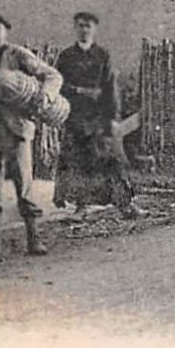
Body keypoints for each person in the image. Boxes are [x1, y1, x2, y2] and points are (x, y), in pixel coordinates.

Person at [0, 12, 62, 256]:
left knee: (23, 181)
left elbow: (52, 75)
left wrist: (45, 96)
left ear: (5, 31)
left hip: (15, 127)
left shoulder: (17, 55)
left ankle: (34, 237)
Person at [55, 12, 139, 217]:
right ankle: (81, 207)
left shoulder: (103, 55)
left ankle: (126, 205)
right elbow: (57, 84)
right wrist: (78, 91)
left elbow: (110, 88)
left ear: (94, 29)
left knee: (113, 160)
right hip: (75, 116)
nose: (84, 30)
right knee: (79, 161)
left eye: (88, 26)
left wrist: (113, 117)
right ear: (75, 28)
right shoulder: (66, 57)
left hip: (99, 117)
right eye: (81, 26)